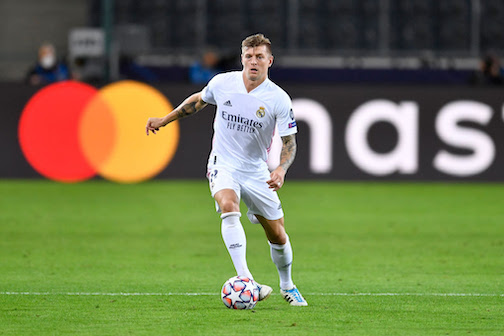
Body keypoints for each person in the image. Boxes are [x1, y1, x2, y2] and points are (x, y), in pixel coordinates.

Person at [146, 33, 308, 306]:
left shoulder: (278, 98)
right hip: (223, 163)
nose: (253, 62)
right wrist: (164, 119)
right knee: (228, 205)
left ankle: (287, 285)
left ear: (270, 61)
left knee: (278, 235)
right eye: (248, 56)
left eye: (259, 57)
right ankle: (246, 279)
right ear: (241, 58)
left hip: (256, 171)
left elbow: (289, 142)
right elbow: (197, 102)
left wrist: (281, 169)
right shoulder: (223, 83)